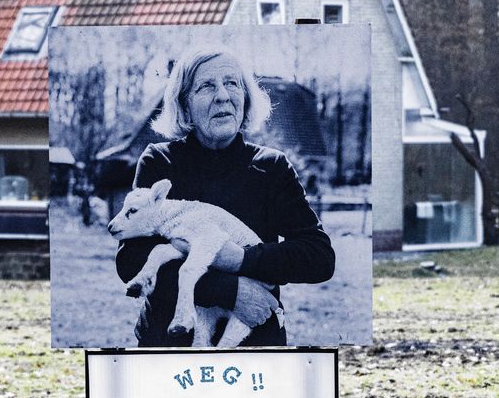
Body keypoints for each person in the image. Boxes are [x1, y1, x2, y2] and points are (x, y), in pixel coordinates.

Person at [115, 47, 335, 346]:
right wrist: (229, 291)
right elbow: (132, 260)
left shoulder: (272, 167)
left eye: (232, 83)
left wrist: (242, 259)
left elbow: (319, 257)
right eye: (206, 86)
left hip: (252, 345)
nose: (223, 96)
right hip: (170, 344)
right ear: (184, 104)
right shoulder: (160, 161)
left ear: (245, 97)